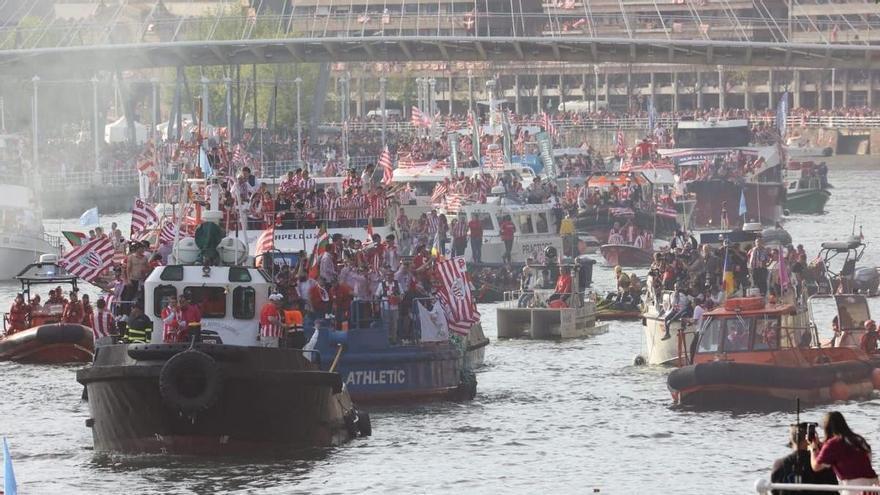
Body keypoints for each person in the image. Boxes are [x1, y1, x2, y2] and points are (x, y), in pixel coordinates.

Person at [810, 411, 879, 493]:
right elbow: (867, 458)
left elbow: (816, 466)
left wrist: (813, 449)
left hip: (853, 487)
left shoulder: (833, 443)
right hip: (873, 486)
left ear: (827, 428)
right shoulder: (859, 439)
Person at [771, 423, 839, 494]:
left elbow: (774, 492)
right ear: (812, 438)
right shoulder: (822, 464)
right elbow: (834, 490)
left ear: (791, 440)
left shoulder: (779, 464)